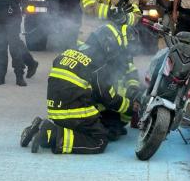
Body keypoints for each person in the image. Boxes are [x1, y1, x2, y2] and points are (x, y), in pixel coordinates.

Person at [20, 23, 139, 154]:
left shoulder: (73, 50)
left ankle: (38, 125)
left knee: (90, 118)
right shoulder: (99, 63)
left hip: (54, 111)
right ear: (108, 45)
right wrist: (129, 107)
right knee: (99, 140)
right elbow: (107, 96)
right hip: (73, 113)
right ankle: (54, 135)